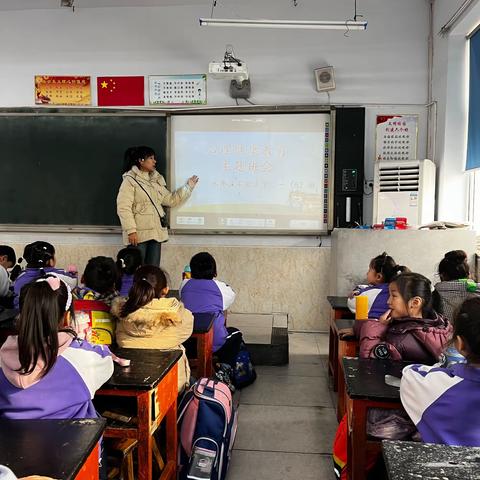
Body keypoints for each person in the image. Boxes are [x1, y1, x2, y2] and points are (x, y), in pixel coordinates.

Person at [0, 275, 114, 419]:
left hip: (11, 440)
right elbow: (106, 363)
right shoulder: (80, 359)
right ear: (67, 317)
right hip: (73, 440)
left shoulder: (2, 359)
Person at [401, 297, 480, 446]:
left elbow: (410, 373)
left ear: (460, 344)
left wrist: (450, 369)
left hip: (444, 467)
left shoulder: (440, 388)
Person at [112, 266, 193, 393]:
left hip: (130, 385)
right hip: (171, 387)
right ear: (165, 290)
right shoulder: (178, 314)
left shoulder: (121, 313)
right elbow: (188, 327)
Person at [116, 145, 199, 266]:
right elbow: (123, 207)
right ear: (141, 161)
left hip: (156, 234)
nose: (154, 161)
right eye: (151, 158)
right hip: (139, 235)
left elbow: (170, 200)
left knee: (153, 271)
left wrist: (188, 187)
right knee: (136, 270)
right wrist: (131, 231)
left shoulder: (156, 180)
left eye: (154, 158)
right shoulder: (129, 180)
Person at [358, 272, 452, 362]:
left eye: (393, 296)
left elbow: (368, 360)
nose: (388, 301)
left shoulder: (399, 341)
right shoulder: (439, 325)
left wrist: (377, 325)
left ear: (415, 303)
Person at [180, 252, 242, 368]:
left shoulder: (184, 285)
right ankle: (225, 369)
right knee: (236, 334)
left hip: (188, 342)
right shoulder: (221, 288)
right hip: (213, 343)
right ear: (214, 271)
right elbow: (230, 297)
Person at [13, 241, 77, 310]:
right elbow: (73, 281)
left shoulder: (20, 275)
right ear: (50, 261)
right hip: (47, 316)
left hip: (20, 316)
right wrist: (72, 273)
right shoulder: (56, 275)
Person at [347, 252, 408, 319]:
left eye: (369, 269)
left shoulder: (375, 293)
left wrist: (355, 292)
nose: (367, 273)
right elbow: (364, 287)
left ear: (378, 276)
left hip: (374, 327)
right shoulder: (389, 288)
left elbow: (352, 303)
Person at [433, 250, 480, 322]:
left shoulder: (434, 294)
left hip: (447, 332)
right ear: (468, 274)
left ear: (442, 275)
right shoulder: (476, 289)